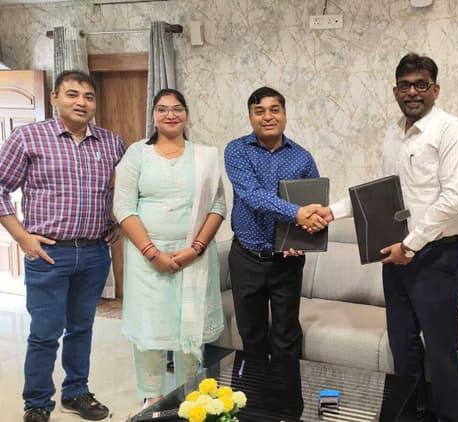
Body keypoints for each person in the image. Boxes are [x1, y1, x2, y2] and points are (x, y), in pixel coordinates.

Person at [320, 53, 458, 422]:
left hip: (438, 255)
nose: (412, 92)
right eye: (405, 86)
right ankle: (410, 415)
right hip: (397, 253)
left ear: (435, 89)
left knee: (441, 348)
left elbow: (454, 198)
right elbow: (382, 193)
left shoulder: (453, 131)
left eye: (421, 84)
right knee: (402, 343)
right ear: (395, 91)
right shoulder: (394, 133)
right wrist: (332, 211)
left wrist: (411, 245)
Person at [0, 70, 126, 422]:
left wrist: (119, 223)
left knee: (81, 328)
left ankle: (76, 393)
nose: (81, 102)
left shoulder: (112, 143)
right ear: (54, 97)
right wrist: (22, 236)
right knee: (45, 332)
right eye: (72, 94)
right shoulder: (28, 137)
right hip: (48, 253)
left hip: (95, 252)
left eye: (89, 97)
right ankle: (37, 402)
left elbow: (131, 188)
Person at [113, 88, 226, 407]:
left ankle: (189, 392)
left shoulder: (204, 156)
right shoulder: (137, 154)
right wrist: (152, 253)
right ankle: (152, 395)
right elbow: (123, 207)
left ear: (186, 114)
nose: (170, 114)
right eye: (162, 109)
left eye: (177, 108)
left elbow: (218, 205)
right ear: (153, 115)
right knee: (150, 326)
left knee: (190, 324)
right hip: (146, 260)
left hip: (194, 258)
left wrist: (196, 248)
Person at [224, 86, 327, 361]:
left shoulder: (302, 157)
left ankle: (287, 389)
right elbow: (252, 195)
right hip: (247, 258)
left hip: (286, 262)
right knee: (251, 335)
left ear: (285, 114)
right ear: (250, 117)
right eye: (259, 111)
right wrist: (297, 214)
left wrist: (303, 240)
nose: (268, 116)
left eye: (274, 110)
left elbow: (313, 204)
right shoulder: (236, 150)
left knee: (286, 336)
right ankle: (257, 389)